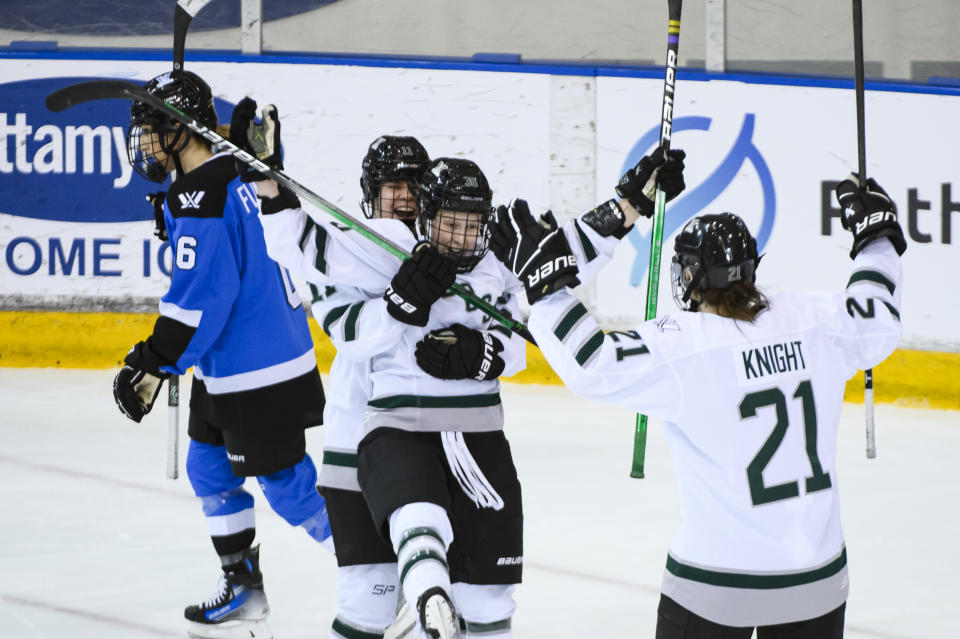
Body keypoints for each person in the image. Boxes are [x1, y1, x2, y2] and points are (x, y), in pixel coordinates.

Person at [489, 152, 906, 638]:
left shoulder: (682, 345)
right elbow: (877, 313)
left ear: (690, 278)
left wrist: (547, 289)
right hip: (815, 581)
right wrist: (876, 238)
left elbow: (592, 364)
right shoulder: (816, 320)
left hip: (714, 584)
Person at [111, 71, 332, 639]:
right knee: (208, 467)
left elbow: (204, 298)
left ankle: (383, 569)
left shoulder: (199, 195)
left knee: (289, 487)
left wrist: (156, 359)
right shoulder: (233, 171)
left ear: (181, 132)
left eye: (154, 131)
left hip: (256, 369)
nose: (147, 145)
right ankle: (244, 589)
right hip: (235, 362)